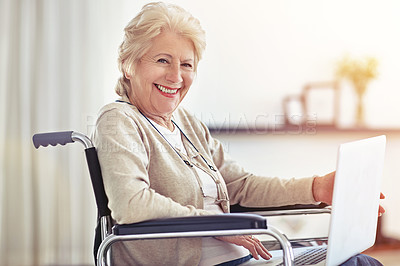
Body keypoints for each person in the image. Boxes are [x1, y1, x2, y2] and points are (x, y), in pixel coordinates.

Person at [92, 2, 384, 265]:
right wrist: (217, 224)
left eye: (186, 65)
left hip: (247, 258)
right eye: (162, 60)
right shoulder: (119, 120)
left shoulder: (186, 123)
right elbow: (131, 204)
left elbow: (242, 185)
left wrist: (316, 187)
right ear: (128, 65)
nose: (176, 77)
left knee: (357, 260)